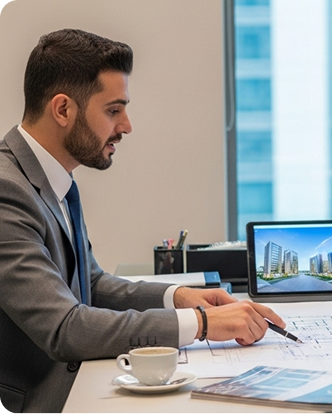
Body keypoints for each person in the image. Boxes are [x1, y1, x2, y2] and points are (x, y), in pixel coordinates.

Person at [0, 29, 285, 414]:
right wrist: (200, 323)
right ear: (63, 109)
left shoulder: (56, 179)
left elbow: (90, 284)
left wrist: (178, 297)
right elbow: (66, 327)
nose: (126, 126)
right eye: (113, 110)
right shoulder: (7, 191)